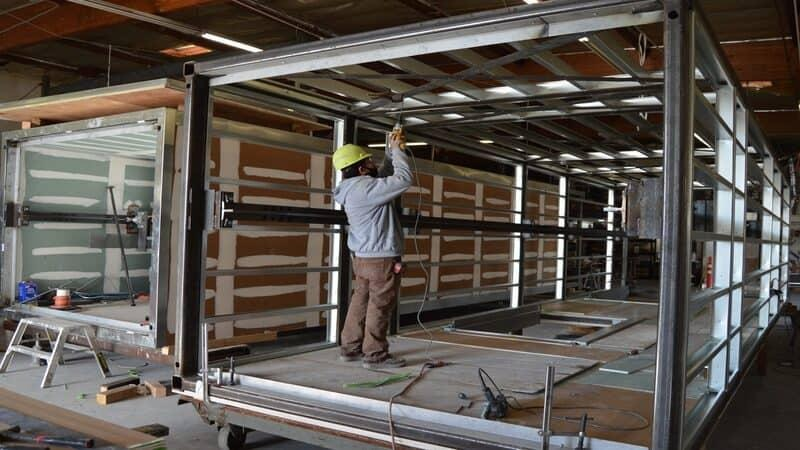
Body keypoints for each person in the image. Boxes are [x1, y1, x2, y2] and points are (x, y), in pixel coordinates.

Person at [332, 132, 412, 369]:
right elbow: (403, 179)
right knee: (380, 305)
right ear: (360, 170)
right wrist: (399, 151)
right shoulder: (366, 189)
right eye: (368, 162)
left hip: (364, 259)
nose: (372, 164)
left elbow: (384, 178)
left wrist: (391, 150)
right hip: (381, 259)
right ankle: (375, 355)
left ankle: (350, 348)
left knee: (360, 302)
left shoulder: (352, 189)